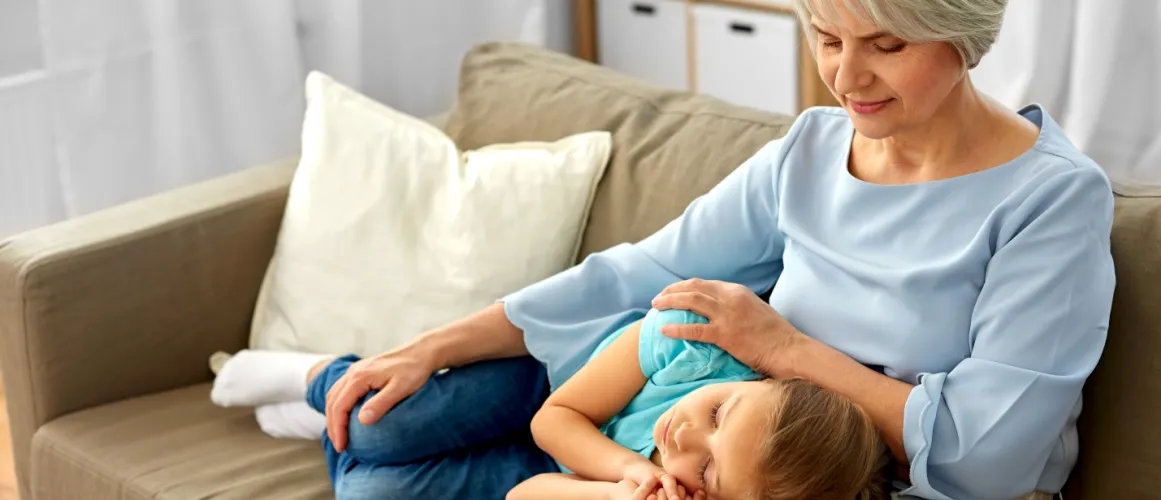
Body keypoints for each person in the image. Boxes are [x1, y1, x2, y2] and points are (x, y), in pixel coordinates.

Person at [316, 0, 1117, 497]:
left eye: (885, 45)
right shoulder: (810, 150)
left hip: (760, 472)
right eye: (827, 36)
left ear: (962, 37)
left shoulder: (1049, 198)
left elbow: (989, 455)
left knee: (379, 490)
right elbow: (648, 271)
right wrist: (432, 345)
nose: (848, 77)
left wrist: (786, 349)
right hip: (675, 392)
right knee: (383, 421)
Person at [506, 309, 887, 499]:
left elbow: (520, 494)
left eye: (706, 469)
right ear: (770, 378)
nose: (685, 437)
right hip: (549, 372)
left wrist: (615, 493)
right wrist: (629, 465)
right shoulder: (690, 345)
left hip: (549, 472)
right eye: (717, 414)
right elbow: (553, 420)